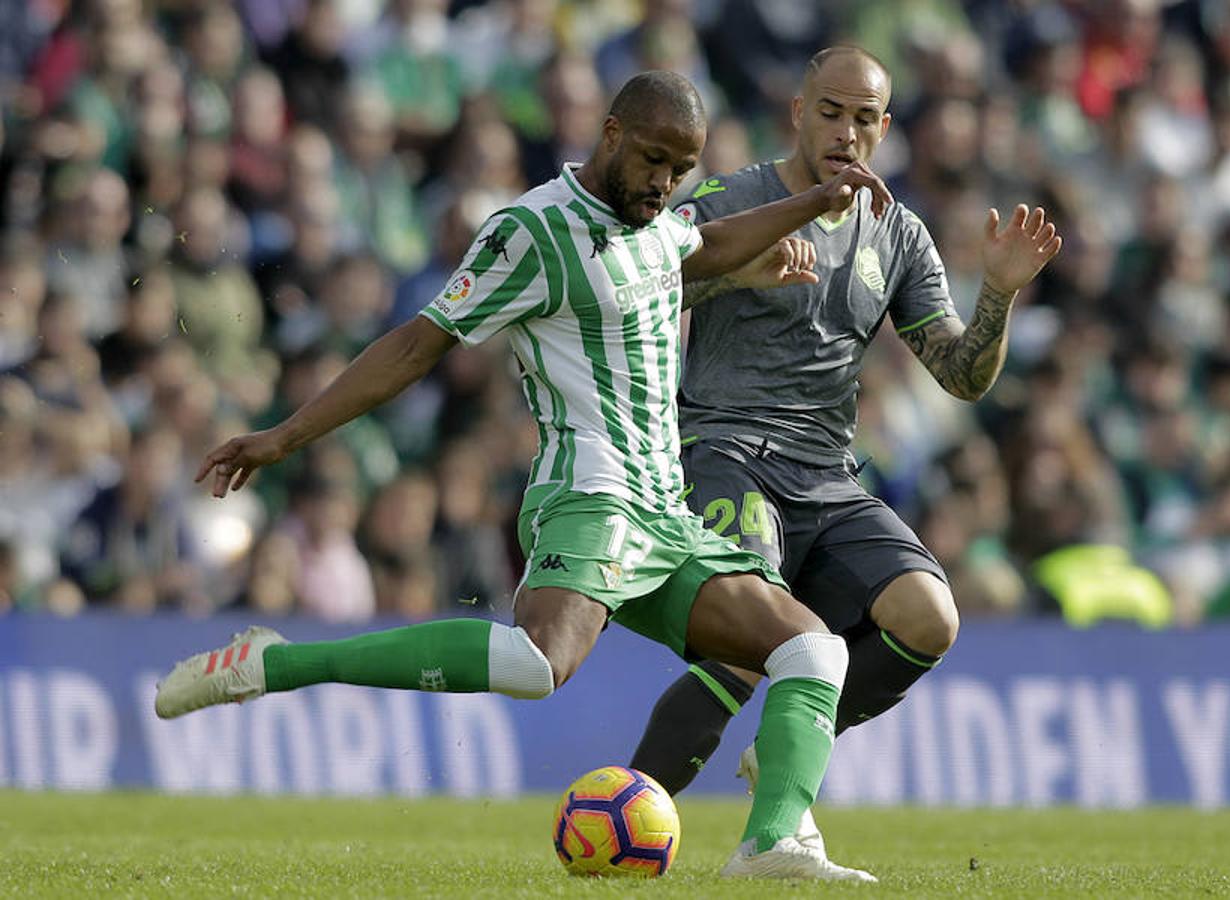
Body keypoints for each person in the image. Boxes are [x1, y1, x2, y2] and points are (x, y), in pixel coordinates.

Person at [154, 70, 894, 881]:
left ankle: (771, 844)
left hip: (665, 511)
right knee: (537, 667)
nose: (662, 184)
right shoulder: (531, 232)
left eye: (680, 171)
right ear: (610, 134)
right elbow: (417, 344)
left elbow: (701, 247)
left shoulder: (657, 222)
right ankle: (272, 663)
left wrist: (812, 203)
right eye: (651, 160)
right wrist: (285, 436)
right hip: (589, 493)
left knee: (813, 652)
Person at [627, 46, 1061, 849]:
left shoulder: (898, 232)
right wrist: (741, 273)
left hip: (826, 474)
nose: (846, 131)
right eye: (830, 111)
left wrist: (996, 293)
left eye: (865, 118)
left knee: (929, 617)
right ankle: (631, 810)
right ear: (798, 112)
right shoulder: (734, 197)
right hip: (724, 446)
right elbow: (643, 278)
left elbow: (962, 376)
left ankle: (787, 749)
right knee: (756, 643)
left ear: (886, 128)